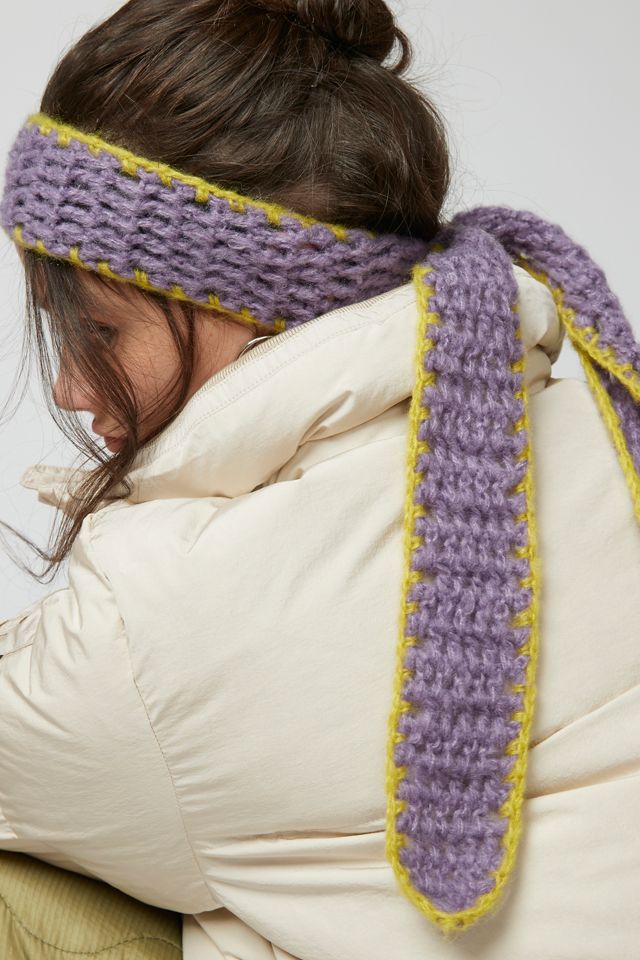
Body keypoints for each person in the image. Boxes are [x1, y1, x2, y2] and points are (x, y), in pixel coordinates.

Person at [0, 2, 639, 959]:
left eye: (98, 330)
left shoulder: (164, 631)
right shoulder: (592, 420)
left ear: (249, 303)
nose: (68, 387)